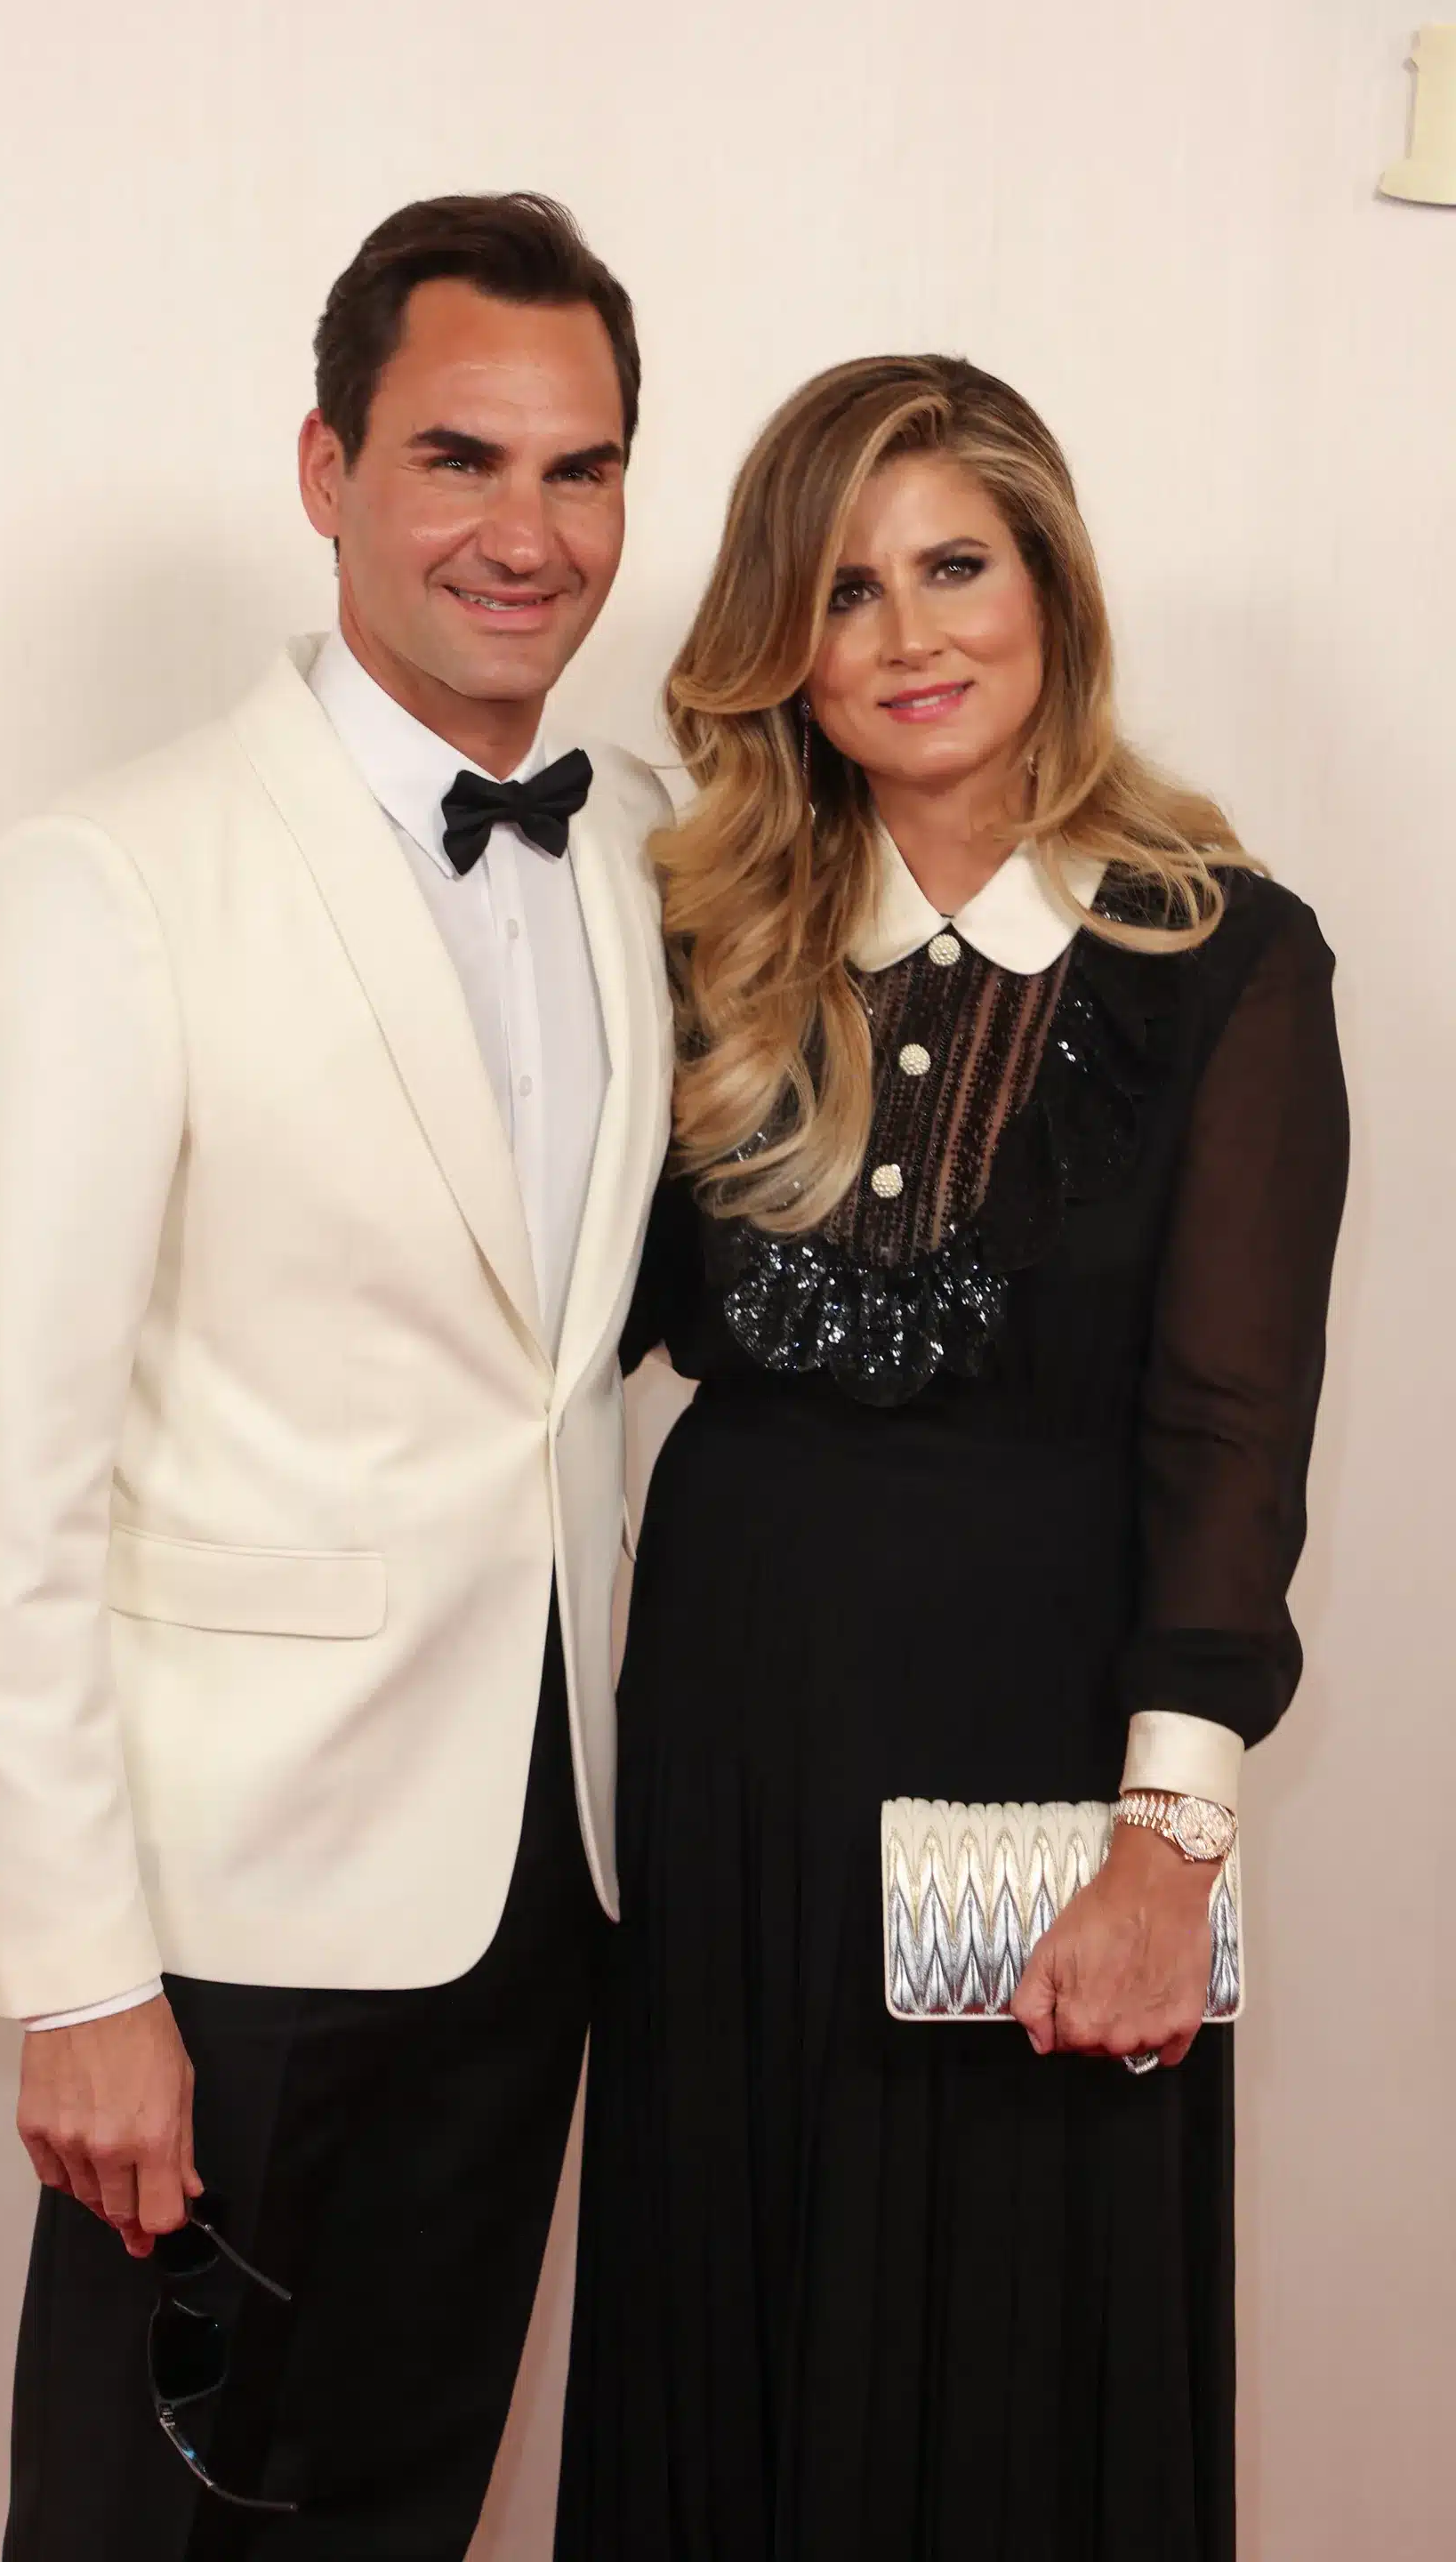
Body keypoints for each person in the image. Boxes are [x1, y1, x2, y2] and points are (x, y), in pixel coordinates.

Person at [0, 191, 672, 2559]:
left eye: (578, 469)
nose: (520, 534)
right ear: (325, 466)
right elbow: (5, 1483)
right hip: (222, 1920)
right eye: (458, 458)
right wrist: (71, 1981)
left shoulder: (639, 849)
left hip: (545, 1867)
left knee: (405, 2505)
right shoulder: (113, 875)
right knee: (144, 2529)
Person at [557, 355, 1347, 2562]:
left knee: (1014, 2375)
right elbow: (536, 1332)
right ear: (779, 654)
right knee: (732, 2335)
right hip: (730, 1759)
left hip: (1040, 1780)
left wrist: (1164, 1853)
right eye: (843, 590)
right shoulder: (701, 939)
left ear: (1050, 591)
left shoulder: (1223, 961)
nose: (909, 636)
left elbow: (1230, 1434)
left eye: (954, 567)